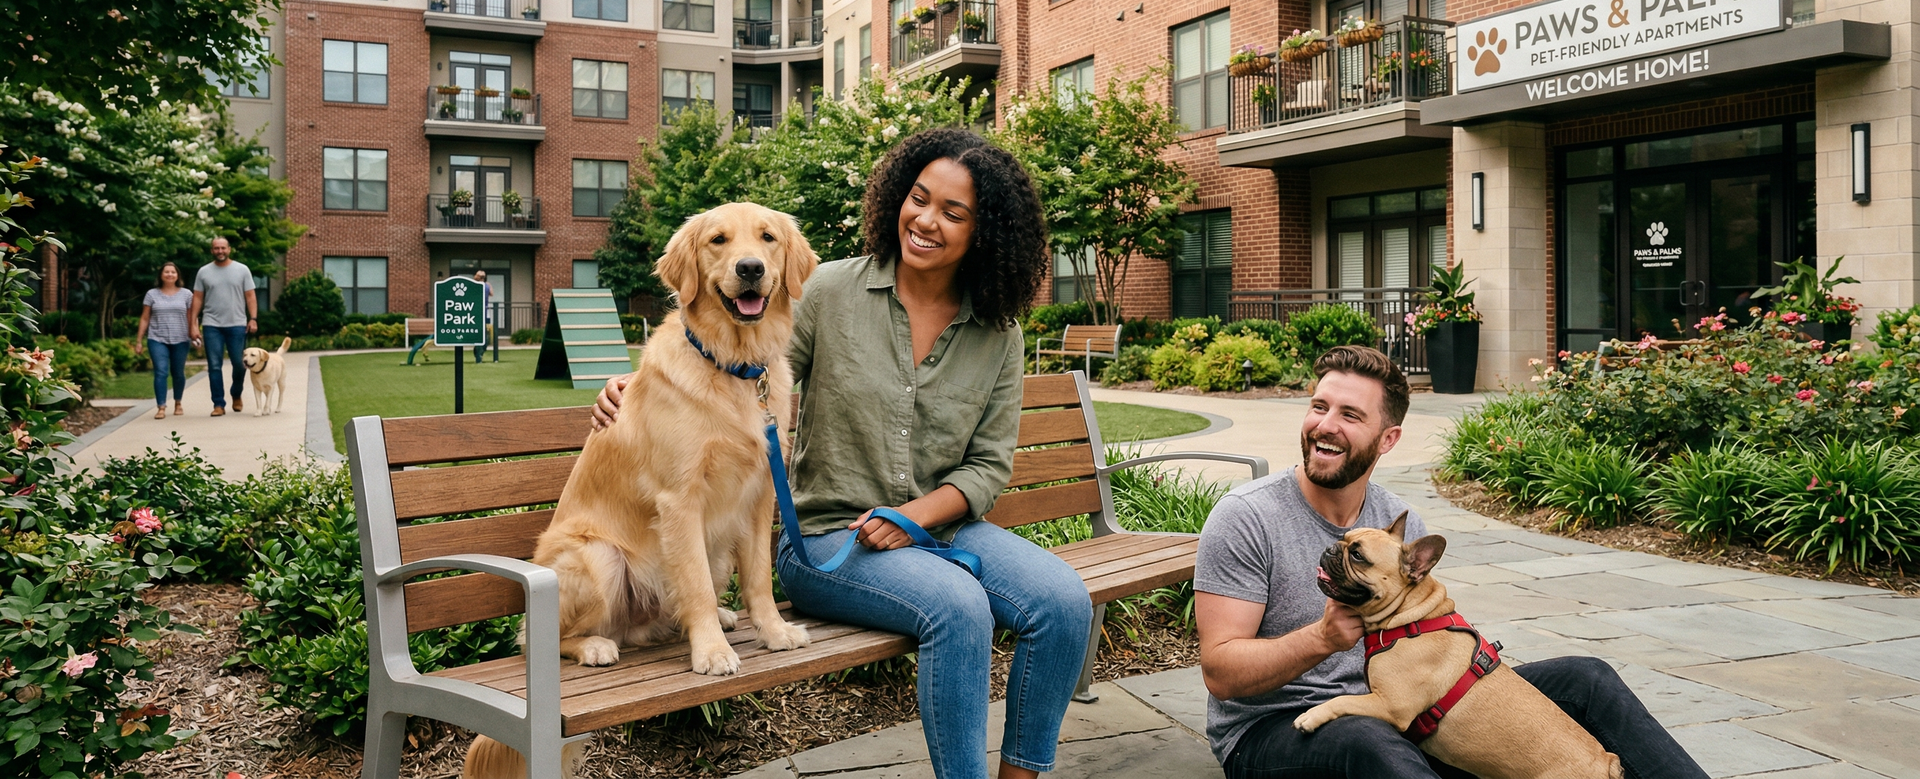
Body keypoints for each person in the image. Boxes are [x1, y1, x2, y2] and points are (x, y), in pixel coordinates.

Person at [593, 128, 1091, 779]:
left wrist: (914, 514)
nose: (926, 220)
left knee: (1063, 601)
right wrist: (641, 385)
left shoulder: (998, 330)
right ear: (897, 199)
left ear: (985, 231)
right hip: (828, 542)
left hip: (940, 527)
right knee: (959, 606)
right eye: (919, 198)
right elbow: (738, 362)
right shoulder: (827, 291)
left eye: (953, 212)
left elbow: (988, 466)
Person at [1192, 345, 1708, 779]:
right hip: (1277, 729)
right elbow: (1221, 674)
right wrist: (1322, 639)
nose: (1324, 426)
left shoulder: (1397, 525)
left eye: (1349, 415)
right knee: (1370, 739)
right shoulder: (1248, 517)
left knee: (1586, 677)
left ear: (1387, 439)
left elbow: (1429, 631)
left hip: (1404, 705)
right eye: (1318, 406)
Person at [188, 236, 257, 417]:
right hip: (212, 325)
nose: (220, 251)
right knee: (214, 366)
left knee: (239, 364)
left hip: (237, 323)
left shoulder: (242, 270)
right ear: (212, 250)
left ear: (229, 249)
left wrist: (253, 318)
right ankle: (218, 403)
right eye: (216, 248)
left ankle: (236, 394)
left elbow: (250, 296)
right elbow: (197, 298)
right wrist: (193, 324)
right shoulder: (204, 272)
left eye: (223, 248)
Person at [135, 261, 192, 418]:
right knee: (160, 371)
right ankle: (161, 406)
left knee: (178, 373)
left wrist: (195, 334)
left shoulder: (187, 294)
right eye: (166, 272)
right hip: (157, 338)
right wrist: (139, 340)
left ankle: (178, 402)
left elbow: (191, 317)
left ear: (177, 275)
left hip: (181, 338)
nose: (170, 274)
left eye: (173, 272)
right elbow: (145, 318)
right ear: (161, 275)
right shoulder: (152, 294)